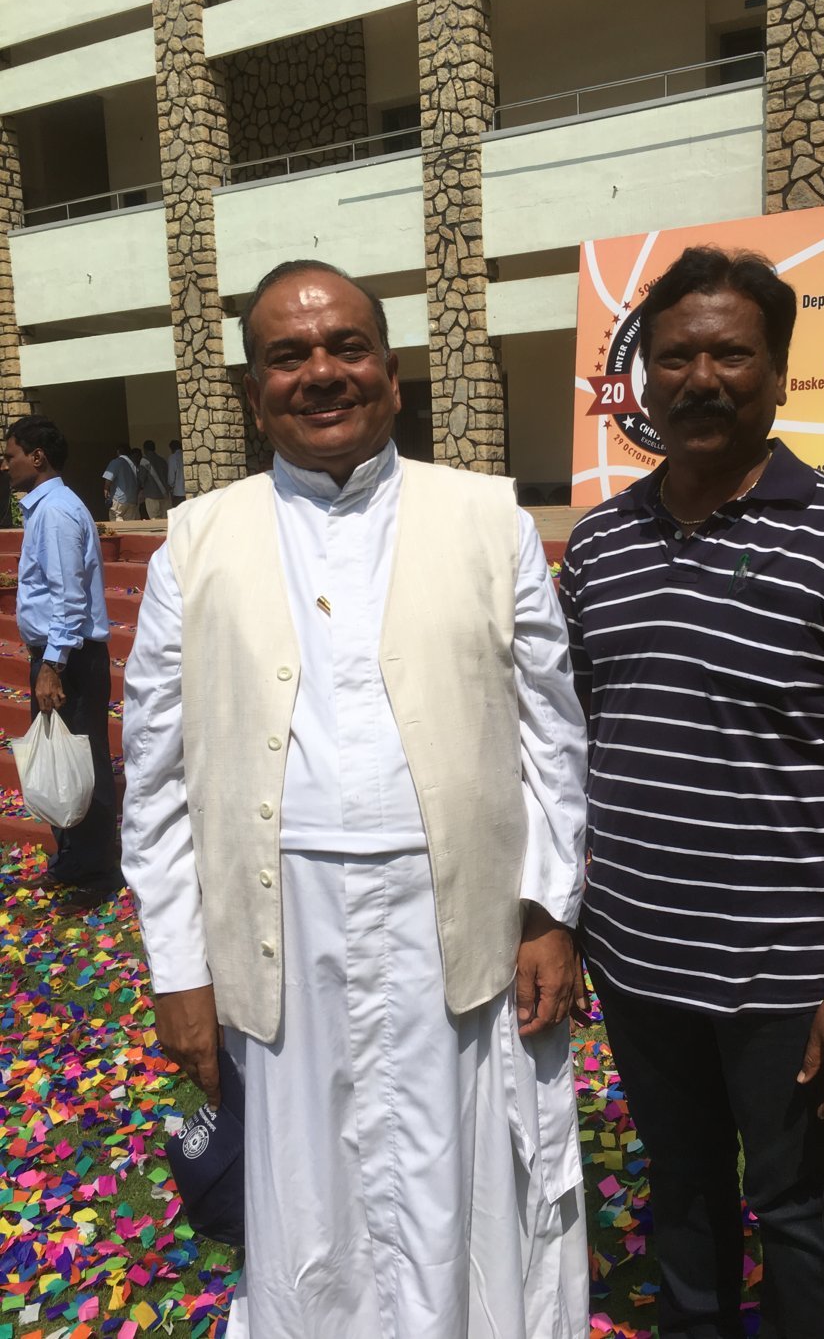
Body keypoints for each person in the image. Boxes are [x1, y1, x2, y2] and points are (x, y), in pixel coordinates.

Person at [121, 259, 590, 1338]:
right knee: (309, 1200)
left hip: (460, 929)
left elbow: (552, 734)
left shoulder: (486, 518)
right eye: (288, 355)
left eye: (347, 347)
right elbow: (155, 774)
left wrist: (548, 911)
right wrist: (179, 968)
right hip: (280, 933)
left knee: (459, 1178)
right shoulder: (197, 540)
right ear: (254, 394)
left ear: (390, 372)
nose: (321, 372)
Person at [559, 246, 824, 1339]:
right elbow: (574, 739)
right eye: (675, 357)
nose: (700, 379)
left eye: (730, 355)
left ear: (778, 373)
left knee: (795, 1209)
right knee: (680, 1187)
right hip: (637, 957)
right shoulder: (599, 548)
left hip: (784, 973)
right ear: (643, 378)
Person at [3, 415, 122, 909]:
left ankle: (98, 871)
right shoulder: (46, 509)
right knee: (60, 761)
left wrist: (52, 664)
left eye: (11, 455)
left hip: (69, 658)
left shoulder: (55, 513)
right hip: (59, 655)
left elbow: (69, 598)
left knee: (82, 762)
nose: (6, 465)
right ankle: (73, 861)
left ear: (37, 457)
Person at [102, 443, 139, 521]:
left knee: (116, 520)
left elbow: (109, 478)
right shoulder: (133, 464)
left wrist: (106, 490)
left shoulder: (116, 462)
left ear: (118, 451)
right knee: (129, 524)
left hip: (119, 499)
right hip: (132, 499)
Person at [138, 440, 171, 519]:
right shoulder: (162, 460)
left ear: (144, 449)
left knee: (155, 520)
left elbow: (141, 479)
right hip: (165, 495)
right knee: (165, 520)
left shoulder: (144, 461)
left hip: (151, 496)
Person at [166, 438, 185, 507]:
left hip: (178, 492)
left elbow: (171, 477)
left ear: (172, 448)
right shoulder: (185, 455)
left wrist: (170, 485)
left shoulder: (173, 457)